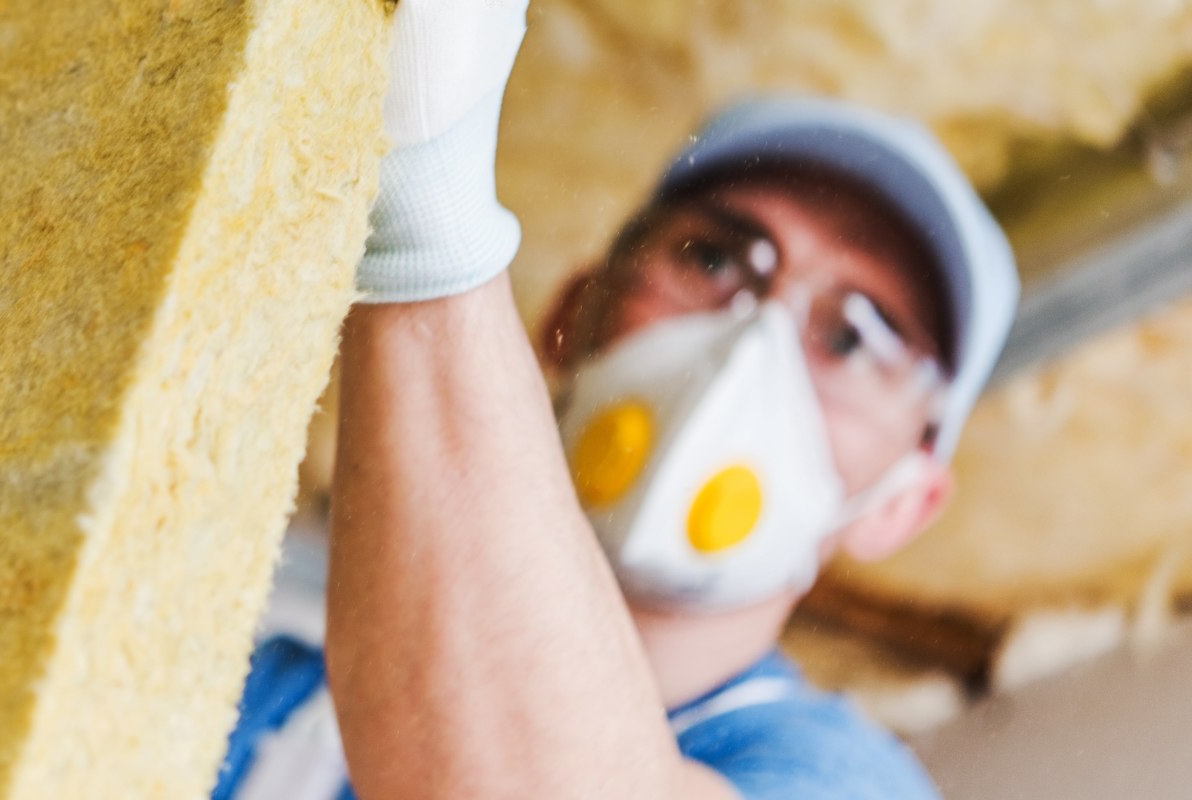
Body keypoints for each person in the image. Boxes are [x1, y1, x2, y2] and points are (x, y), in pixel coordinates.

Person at [212, 2, 1017, 799]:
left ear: (900, 508)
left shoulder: (842, 781)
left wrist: (424, 221)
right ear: (567, 322)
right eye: (711, 258)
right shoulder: (256, 703)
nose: (752, 344)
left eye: (854, 339)